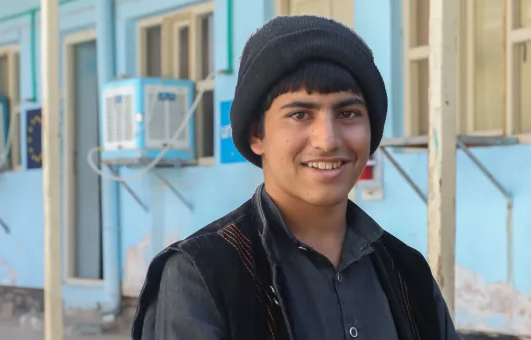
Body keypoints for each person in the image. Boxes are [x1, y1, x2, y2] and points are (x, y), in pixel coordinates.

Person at [132, 15, 460, 340]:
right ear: (256, 135)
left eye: (348, 113)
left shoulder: (408, 272)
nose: (328, 139)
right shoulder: (203, 274)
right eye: (300, 114)